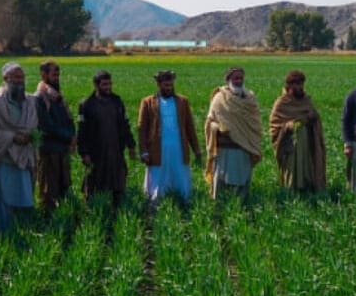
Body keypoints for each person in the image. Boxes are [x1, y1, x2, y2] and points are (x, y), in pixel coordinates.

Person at [0, 63, 39, 232]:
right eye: (16, 78)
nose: (20, 81)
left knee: (25, 196)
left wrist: (28, 136)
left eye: (22, 77)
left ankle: (25, 230)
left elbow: (34, 124)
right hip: (4, 158)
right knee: (5, 199)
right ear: (6, 79)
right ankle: (4, 233)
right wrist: (12, 137)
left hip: (24, 158)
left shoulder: (31, 101)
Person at [137, 70, 201, 208]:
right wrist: (143, 151)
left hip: (178, 147)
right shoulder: (148, 102)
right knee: (157, 178)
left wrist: (196, 150)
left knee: (180, 176)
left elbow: (190, 127)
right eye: (166, 85)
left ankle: (184, 204)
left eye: (171, 85)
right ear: (159, 85)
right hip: (156, 149)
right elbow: (142, 129)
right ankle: (154, 205)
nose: (169, 88)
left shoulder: (182, 101)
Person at [76, 70, 136, 208]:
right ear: (96, 85)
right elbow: (82, 131)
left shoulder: (117, 101)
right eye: (104, 84)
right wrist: (84, 153)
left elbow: (125, 125)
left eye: (109, 84)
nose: (108, 87)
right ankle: (92, 211)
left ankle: (118, 210)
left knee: (118, 183)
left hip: (115, 150)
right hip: (96, 152)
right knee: (94, 184)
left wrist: (131, 145)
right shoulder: (87, 105)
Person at [204, 67, 263, 200]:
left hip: (244, 148)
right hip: (226, 148)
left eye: (241, 78)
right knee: (221, 180)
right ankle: (218, 208)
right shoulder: (219, 98)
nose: (238, 81)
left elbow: (255, 123)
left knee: (242, 181)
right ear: (228, 80)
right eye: (235, 78)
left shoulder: (250, 99)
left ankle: (241, 206)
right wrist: (216, 128)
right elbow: (210, 121)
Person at [269, 70, 327, 192]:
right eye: (297, 84)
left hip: (307, 145)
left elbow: (315, 119)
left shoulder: (306, 100)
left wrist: (313, 117)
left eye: (302, 84)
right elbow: (275, 126)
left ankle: (309, 189)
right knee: (292, 173)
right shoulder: (281, 103)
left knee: (307, 169)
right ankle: (291, 192)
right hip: (290, 146)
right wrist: (289, 126)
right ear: (289, 86)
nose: (301, 87)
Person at [34, 60, 75, 214]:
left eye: (58, 74)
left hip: (62, 150)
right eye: (53, 74)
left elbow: (68, 119)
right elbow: (46, 126)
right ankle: (48, 224)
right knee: (48, 191)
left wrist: (72, 135)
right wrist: (68, 137)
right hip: (49, 152)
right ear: (43, 75)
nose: (57, 77)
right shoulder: (39, 98)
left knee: (64, 186)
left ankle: (64, 219)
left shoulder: (57, 97)